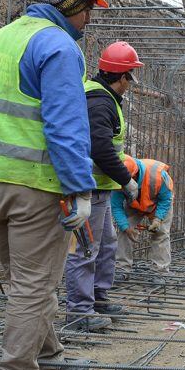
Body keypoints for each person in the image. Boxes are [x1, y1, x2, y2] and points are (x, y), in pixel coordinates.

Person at [0, 0, 108, 370]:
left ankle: (47, 357)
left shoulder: (5, 36)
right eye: (90, 9)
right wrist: (80, 189)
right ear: (72, 1)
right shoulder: (59, 47)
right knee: (33, 285)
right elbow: (65, 127)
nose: (89, 19)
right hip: (36, 183)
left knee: (25, 280)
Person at [64, 42, 142, 332]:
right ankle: (80, 312)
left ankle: (97, 297)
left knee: (107, 242)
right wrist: (126, 179)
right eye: (130, 78)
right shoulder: (99, 101)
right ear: (121, 76)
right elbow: (101, 148)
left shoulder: (103, 97)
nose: (131, 85)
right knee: (86, 248)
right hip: (89, 187)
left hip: (100, 188)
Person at [112, 156, 174, 285]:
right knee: (124, 231)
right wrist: (126, 227)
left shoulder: (157, 176)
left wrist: (158, 219)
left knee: (161, 233)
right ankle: (122, 268)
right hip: (134, 203)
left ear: (135, 176)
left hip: (158, 203)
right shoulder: (118, 179)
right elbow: (116, 206)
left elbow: (166, 198)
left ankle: (160, 271)